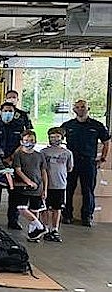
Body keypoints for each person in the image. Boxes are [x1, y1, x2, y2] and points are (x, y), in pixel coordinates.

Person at [61, 99, 111, 227]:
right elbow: (57, 139)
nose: (80, 109)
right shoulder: (67, 125)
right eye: (77, 107)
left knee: (88, 190)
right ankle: (67, 215)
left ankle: (87, 216)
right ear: (74, 110)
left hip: (89, 162)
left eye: (83, 107)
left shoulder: (97, 125)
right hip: (71, 162)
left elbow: (106, 142)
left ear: (88, 109)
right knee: (68, 189)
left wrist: (103, 159)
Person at [12, 130, 48, 242]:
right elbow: (18, 170)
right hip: (23, 187)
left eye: (31, 140)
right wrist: (28, 181)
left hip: (38, 187)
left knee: (34, 210)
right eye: (26, 140)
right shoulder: (18, 155)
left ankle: (33, 234)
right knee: (21, 208)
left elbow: (44, 172)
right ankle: (40, 226)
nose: (29, 142)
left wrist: (45, 189)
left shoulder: (39, 155)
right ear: (21, 141)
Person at [41, 127, 73, 242]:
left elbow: (69, 168)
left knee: (57, 208)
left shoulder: (67, 153)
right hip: (46, 185)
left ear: (62, 138)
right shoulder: (43, 152)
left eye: (57, 137)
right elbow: (41, 168)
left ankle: (55, 229)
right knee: (44, 208)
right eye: (52, 137)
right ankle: (45, 228)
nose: (54, 139)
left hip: (60, 185)